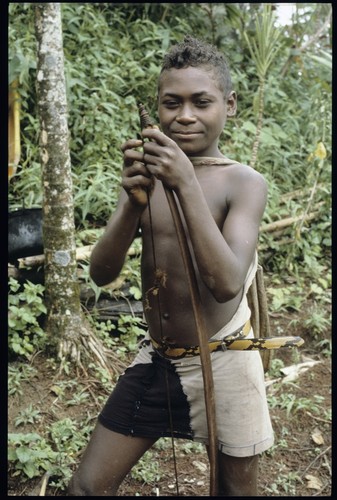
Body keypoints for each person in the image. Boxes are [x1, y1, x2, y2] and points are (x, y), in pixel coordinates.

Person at [68, 35, 274, 497]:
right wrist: (131, 204)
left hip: (226, 359)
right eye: (171, 103)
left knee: (234, 491)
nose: (184, 116)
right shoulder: (146, 173)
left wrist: (185, 182)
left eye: (201, 102)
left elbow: (225, 284)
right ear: (157, 109)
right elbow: (101, 274)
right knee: (86, 486)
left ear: (230, 104)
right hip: (160, 357)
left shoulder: (242, 182)